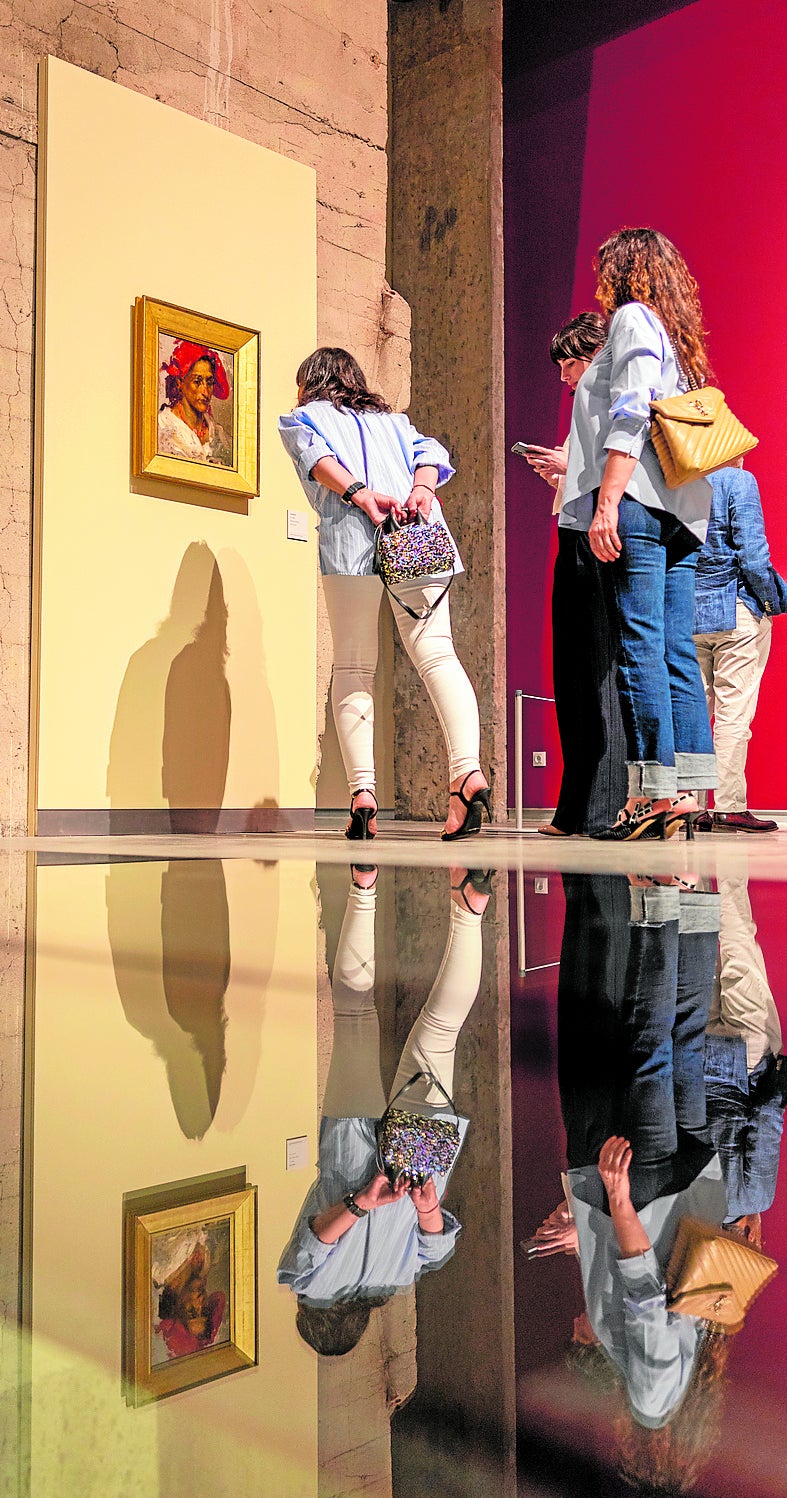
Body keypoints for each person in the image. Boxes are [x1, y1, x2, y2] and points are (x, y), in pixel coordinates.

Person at [277, 864, 489, 1354]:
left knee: (442, 1027)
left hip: (413, 1170)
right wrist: (359, 1204)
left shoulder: (395, 1280)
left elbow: (437, 1248)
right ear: (316, 1320)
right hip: (349, 1154)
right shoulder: (309, 1289)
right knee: (354, 1013)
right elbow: (313, 1245)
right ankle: (363, 885)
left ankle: (468, 911)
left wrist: (426, 1206)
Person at [279, 348, 489, 841]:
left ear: (311, 382)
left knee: (353, 667)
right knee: (439, 656)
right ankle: (466, 772)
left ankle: (363, 794)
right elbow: (432, 454)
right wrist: (423, 489)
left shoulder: (303, 417)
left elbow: (316, 457)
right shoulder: (395, 422)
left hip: (354, 541)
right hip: (418, 535)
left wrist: (356, 493)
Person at [560, 228, 717, 840]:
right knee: (676, 649)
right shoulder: (674, 335)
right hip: (682, 509)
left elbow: (630, 409)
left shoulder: (630, 317)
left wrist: (607, 501)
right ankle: (687, 790)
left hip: (642, 503)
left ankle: (654, 790)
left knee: (640, 645)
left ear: (621, 270)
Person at [520, 311, 627, 836]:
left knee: (597, 670)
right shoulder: (588, 409)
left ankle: (601, 806)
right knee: (573, 674)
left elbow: (618, 469)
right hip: (575, 533)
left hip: (601, 540)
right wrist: (563, 474)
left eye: (571, 362)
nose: (563, 375)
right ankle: (579, 805)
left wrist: (571, 469)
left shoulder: (614, 401)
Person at [693, 460, 783, 833]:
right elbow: (754, 555)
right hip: (734, 608)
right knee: (733, 714)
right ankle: (729, 806)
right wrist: (769, 602)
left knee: (692, 712)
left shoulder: (675, 481)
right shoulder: (737, 479)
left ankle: (688, 805)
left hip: (685, 610)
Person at [158, 340, 232, 465]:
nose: (205, 392)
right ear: (180, 383)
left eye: (209, 382)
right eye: (197, 382)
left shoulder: (217, 432)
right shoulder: (164, 427)